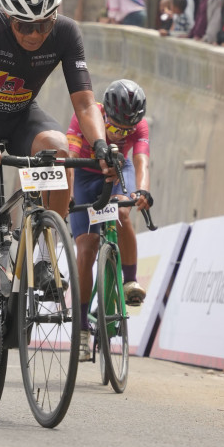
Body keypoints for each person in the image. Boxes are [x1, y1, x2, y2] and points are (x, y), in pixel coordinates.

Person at [0, 0, 112, 379]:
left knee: (59, 148)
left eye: (43, 24)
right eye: (24, 26)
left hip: (22, 118)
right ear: (8, 16)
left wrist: (100, 145)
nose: (34, 35)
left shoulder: (67, 33)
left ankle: (43, 254)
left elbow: (85, 102)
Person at [67, 79, 152, 360]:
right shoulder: (86, 116)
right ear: (106, 114)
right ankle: (81, 328)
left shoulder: (140, 126)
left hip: (117, 170)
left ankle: (129, 281)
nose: (120, 134)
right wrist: (68, 195)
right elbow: (69, 158)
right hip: (84, 172)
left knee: (122, 212)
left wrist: (143, 190)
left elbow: (141, 161)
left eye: (127, 129)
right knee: (86, 248)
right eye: (116, 127)